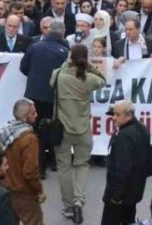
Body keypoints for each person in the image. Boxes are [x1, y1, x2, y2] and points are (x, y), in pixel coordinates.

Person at [52, 43, 106, 224]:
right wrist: (88, 65)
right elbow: (102, 80)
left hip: (63, 129)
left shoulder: (60, 75)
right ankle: (78, 200)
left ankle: (68, 206)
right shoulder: (88, 78)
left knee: (64, 167)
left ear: (70, 58)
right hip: (83, 128)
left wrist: (67, 63)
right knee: (82, 165)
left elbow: (51, 81)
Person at [21, 19, 70, 175]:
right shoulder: (64, 52)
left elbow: (23, 67)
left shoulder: (34, 47)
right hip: (52, 96)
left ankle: (37, 165)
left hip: (34, 94)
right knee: (49, 129)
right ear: (62, 33)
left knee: (35, 130)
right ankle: (47, 163)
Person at [102, 100, 152, 225]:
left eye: (117, 115)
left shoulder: (124, 136)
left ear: (129, 115)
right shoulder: (143, 129)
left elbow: (123, 169)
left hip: (120, 195)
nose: (113, 118)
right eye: (113, 114)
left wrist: (116, 197)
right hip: (134, 192)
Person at [0, 100, 44, 225]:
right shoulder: (29, 138)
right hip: (24, 194)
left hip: (4, 190)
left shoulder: (5, 131)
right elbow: (30, 172)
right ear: (24, 116)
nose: (37, 115)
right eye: (33, 113)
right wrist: (39, 190)